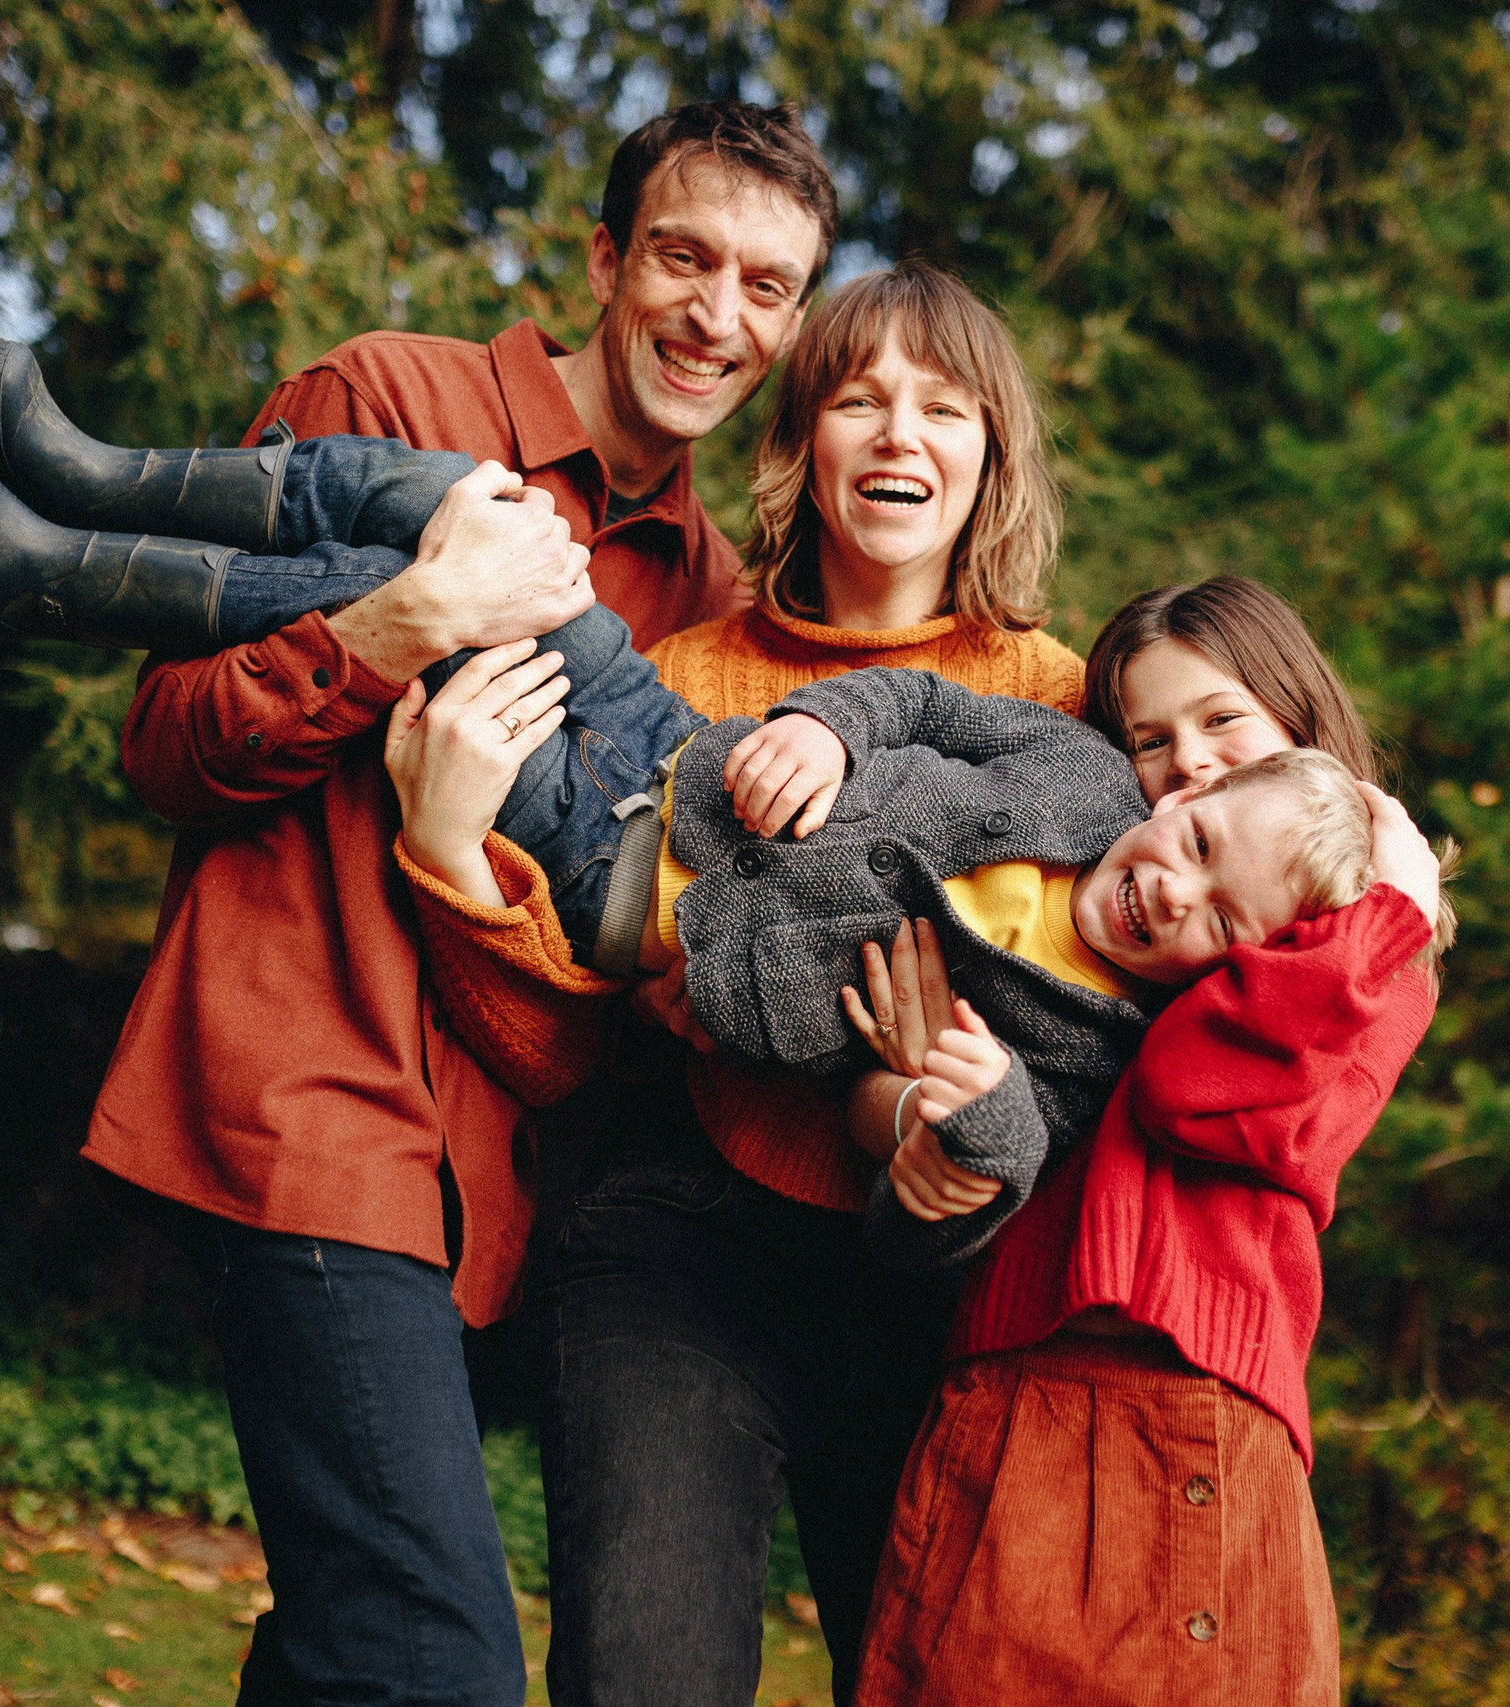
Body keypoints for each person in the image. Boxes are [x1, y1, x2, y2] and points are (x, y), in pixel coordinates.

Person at [52, 100, 839, 1707]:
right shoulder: (391, 397)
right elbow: (169, 742)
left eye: (768, 286)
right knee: (434, 1658)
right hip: (304, 1099)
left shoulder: (704, 600)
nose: (718, 316)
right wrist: (406, 622)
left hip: (481, 1181)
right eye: (686, 258)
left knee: (350, 1637)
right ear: (607, 258)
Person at [387, 260, 1083, 1704]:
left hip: (943, 1286)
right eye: (859, 399)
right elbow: (558, 1038)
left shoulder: (1061, 699)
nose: (899, 435)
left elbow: (1200, 875)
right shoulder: (685, 675)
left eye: (942, 408)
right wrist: (454, 858)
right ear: (801, 443)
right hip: (682, 1252)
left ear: (991, 457)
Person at [847, 576, 1450, 1705]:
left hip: (1176, 1395)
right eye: (1150, 741)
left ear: (1297, 716)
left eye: (1222, 719)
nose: (1190, 763)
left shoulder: (1366, 966)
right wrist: (912, 1106)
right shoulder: (1114, 892)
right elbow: (923, 1096)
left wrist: (1392, 906)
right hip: (1002, 1366)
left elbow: (1199, 1093)